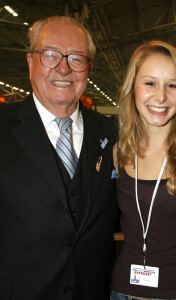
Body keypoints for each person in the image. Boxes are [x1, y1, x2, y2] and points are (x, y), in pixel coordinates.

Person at [0, 16, 117, 299]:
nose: (63, 68)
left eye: (76, 58)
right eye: (50, 55)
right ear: (31, 62)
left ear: (88, 68)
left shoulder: (112, 133)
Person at [110, 40, 176, 300]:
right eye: (150, 83)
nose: (161, 96)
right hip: (124, 292)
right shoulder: (119, 152)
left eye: (172, 85)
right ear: (132, 87)